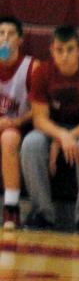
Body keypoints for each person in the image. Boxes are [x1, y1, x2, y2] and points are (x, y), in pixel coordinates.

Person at [21, 26, 79, 232]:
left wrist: (67, 138)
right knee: (30, 143)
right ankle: (42, 214)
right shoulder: (42, 72)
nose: (64, 55)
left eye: (70, 49)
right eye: (59, 50)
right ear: (51, 50)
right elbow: (40, 120)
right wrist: (61, 136)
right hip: (54, 127)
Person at [0, 16, 39, 229]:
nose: (4, 38)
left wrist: (15, 122)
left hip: (21, 125)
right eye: (1, 33)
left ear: (20, 40)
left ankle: (11, 208)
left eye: (10, 33)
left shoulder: (32, 66)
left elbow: (39, 110)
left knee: (9, 138)